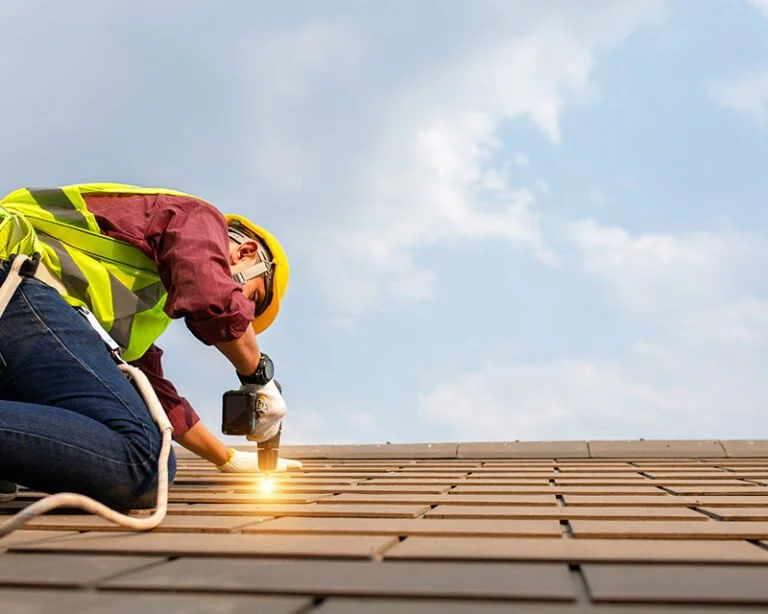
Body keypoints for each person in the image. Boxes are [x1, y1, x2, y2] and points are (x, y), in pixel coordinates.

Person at [0, 183, 300, 510]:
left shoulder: (142, 305)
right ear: (246, 252)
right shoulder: (198, 219)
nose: (243, 314)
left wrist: (226, 458)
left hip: (16, 311)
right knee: (144, 462)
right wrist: (257, 376)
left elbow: (158, 398)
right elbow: (212, 296)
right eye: (251, 298)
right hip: (14, 281)